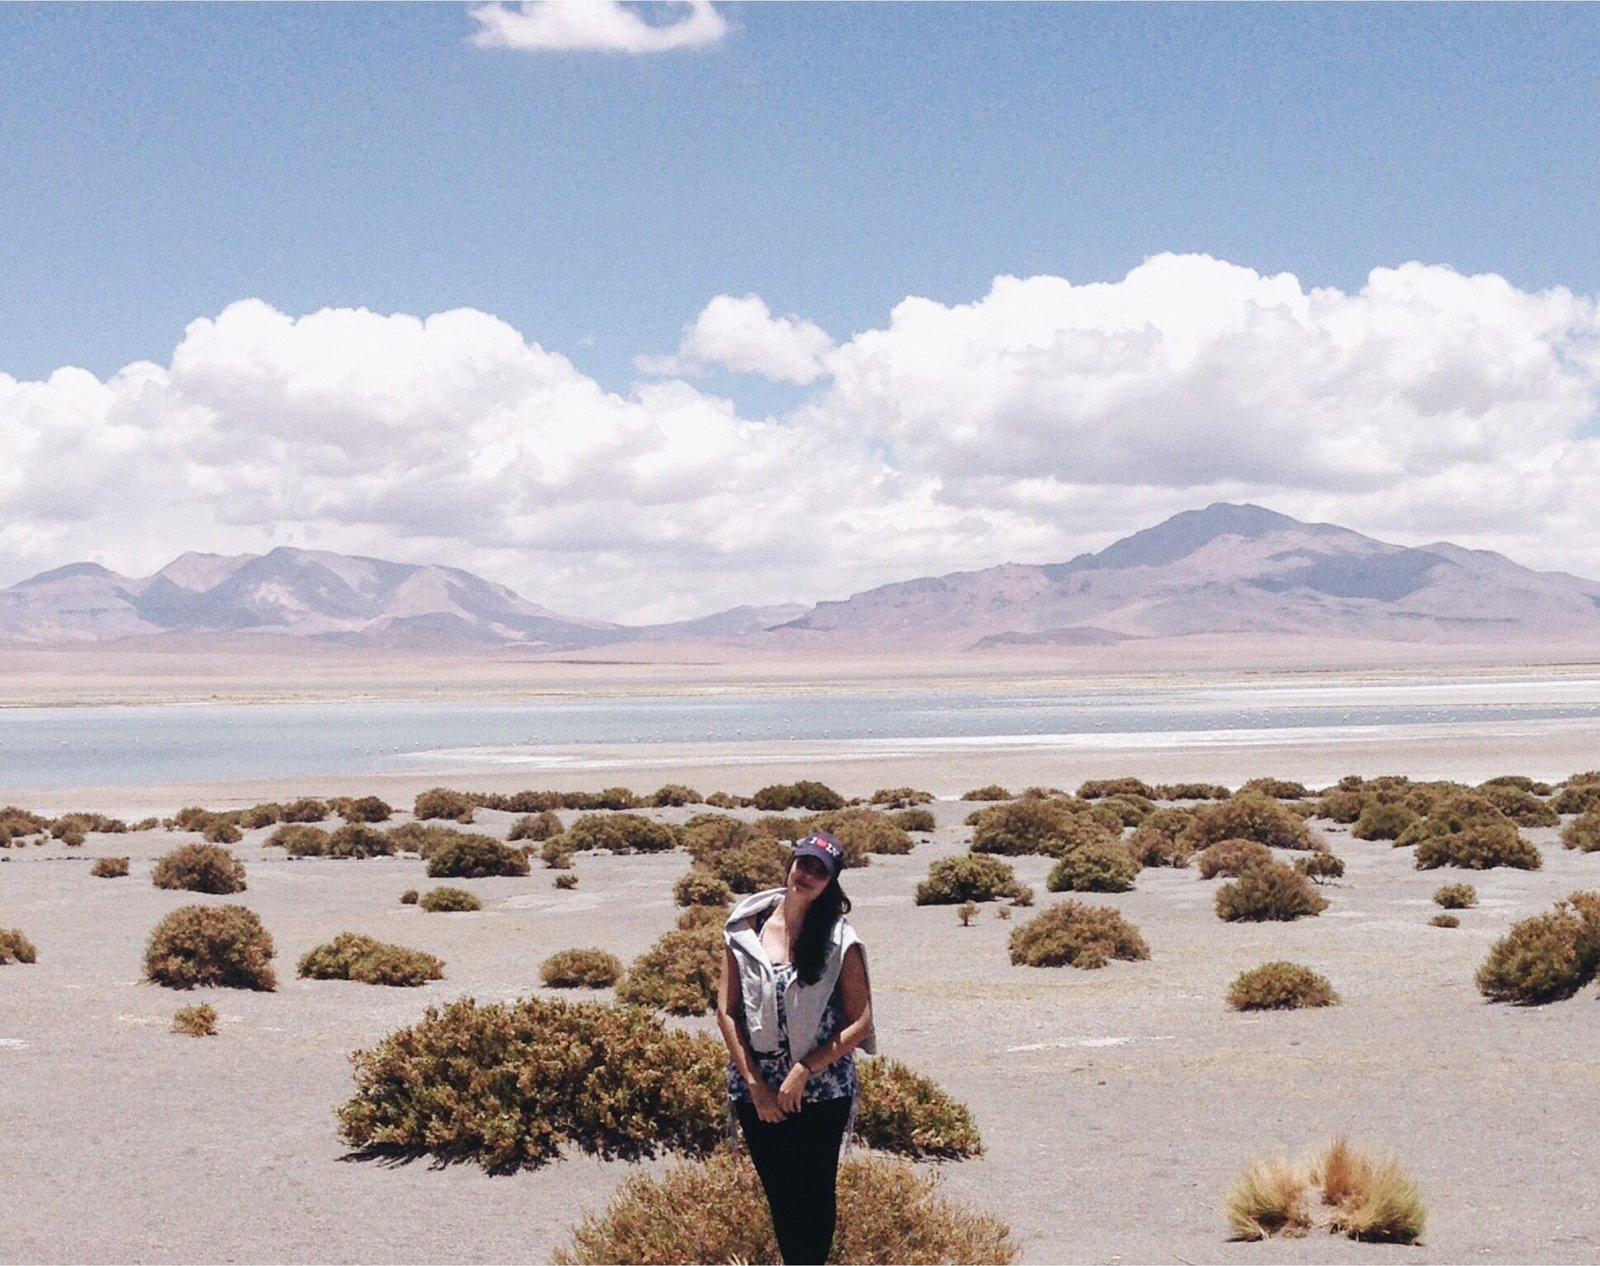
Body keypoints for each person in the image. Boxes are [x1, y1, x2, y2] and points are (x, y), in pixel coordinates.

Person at [716, 830, 876, 1265]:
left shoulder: (838, 938)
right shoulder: (744, 928)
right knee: (782, 1196)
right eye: (803, 864)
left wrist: (804, 1069)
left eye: (819, 871)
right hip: (758, 1089)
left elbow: (860, 1021)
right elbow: (727, 1011)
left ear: (831, 882)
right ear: (790, 864)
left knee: (814, 1195)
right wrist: (757, 1087)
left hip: (822, 1090)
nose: (807, 875)